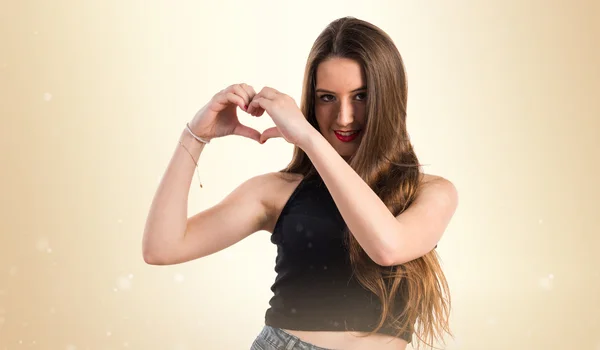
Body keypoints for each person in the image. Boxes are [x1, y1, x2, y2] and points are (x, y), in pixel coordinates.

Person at [142, 16, 458, 350]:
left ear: (388, 97)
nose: (344, 117)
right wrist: (195, 135)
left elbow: (386, 247)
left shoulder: (428, 192)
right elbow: (162, 248)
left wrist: (308, 137)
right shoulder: (279, 191)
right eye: (326, 98)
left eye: (361, 96)